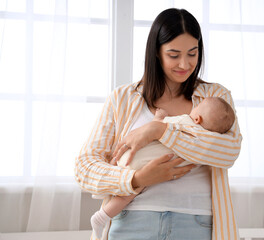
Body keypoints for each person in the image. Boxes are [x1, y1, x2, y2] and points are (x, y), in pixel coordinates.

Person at [75, 8, 242, 240]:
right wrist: (136, 179)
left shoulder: (215, 97)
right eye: (174, 55)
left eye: (192, 53)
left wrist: (159, 129)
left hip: (196, 224)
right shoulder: (123, 98)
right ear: (156, 52)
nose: (184, 63)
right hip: (132, 222)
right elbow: (85, 167)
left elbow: (228, 152)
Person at [90, 97, 236, 239]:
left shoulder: (185, 121)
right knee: (127, 195)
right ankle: (101, 217)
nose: (194, 107)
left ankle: (101, 216)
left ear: (197, 119)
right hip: (142, 174)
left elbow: (158, 127)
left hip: (134, 161)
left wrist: (158, 119)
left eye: (197, 107)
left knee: (129, 191)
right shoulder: (206, 142)